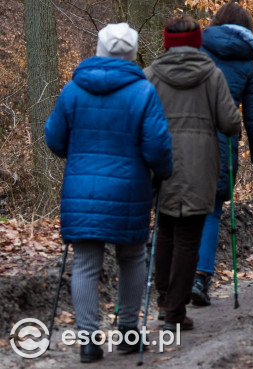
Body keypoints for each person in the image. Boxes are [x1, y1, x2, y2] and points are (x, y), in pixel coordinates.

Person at [45, 23, 174, 362]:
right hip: (129, 188)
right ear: (132, 55)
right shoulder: (143, 92)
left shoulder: (72, 90)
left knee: (86, 263)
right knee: (132, 258)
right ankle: (129, 332)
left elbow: (55, 140)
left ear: (98, 51)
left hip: (82, 189)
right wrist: (162, 174)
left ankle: (88, 341)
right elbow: (158, 147)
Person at [146, 15, 242, 331]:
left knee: (165, 229)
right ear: (198, 40)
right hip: (201, 164)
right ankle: (175, 309)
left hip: (163, 160)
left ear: (167, 41)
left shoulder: (151, 76)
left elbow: (141, 119)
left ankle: (165, 300)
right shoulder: (211, 75)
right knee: (188, 237)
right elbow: (229, 123)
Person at [191, 3, 253, 307]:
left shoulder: (195, 50)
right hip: (223, 142)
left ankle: (175, 279)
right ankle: (201, 278)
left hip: (184, 136)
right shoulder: (248, 65)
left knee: (179, 208)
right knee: (212, 209)